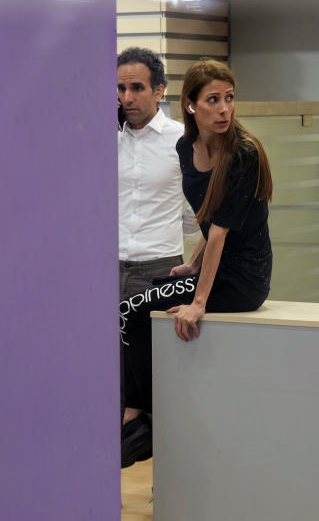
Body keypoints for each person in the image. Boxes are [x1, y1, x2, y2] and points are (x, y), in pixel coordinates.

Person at [118, 59, 273, 466]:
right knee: (145, 304)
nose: (224, 109)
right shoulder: (186, 148)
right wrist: (193, 263)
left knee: (131, 310)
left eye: (229, 99)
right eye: (213, 100)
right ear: (190, 105)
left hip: (243, 278)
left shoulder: (245, 153)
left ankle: (142, 417)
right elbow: (207, 216)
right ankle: (143, 414)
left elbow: (222, 231)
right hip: (213, 266)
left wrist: (199, 300)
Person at [115, 46, 198, 467]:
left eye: (136, 88)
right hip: (106, 269)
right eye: (120, 88)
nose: (126, 97)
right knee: (110, 382)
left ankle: (168, 491)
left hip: (157, 271)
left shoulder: (181, 140)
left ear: (159, 90)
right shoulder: (104, 138)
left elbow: (198, 212)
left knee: (157, 387)